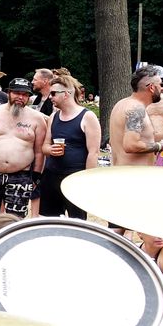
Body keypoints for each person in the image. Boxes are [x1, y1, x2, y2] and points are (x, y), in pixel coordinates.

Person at [0, 78, 47, 218]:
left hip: (21, 175)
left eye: (25, 95)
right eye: (17, 93)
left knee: (16, 219)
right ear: (9, 93)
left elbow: (39, 152)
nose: (20, 97)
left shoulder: (37, 118)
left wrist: (36, 177)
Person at [40, 74, 100, 219]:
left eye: (53, 93)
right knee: (48, 220)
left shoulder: (87, 117)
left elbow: (93, 153)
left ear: (66, 94)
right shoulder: (54, 116)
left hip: (75, 178)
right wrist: (50, 150)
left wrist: (88, 180)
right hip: (51, 176)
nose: (50, 97)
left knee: (77, 221)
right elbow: (45, 146)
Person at [109, 65, 163, 167]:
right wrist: (160, 146)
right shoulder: (137, 109)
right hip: (135, 174)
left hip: (121, 170)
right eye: (161, 84)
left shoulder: (121, 104)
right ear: (152, 87)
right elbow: (130, 145)